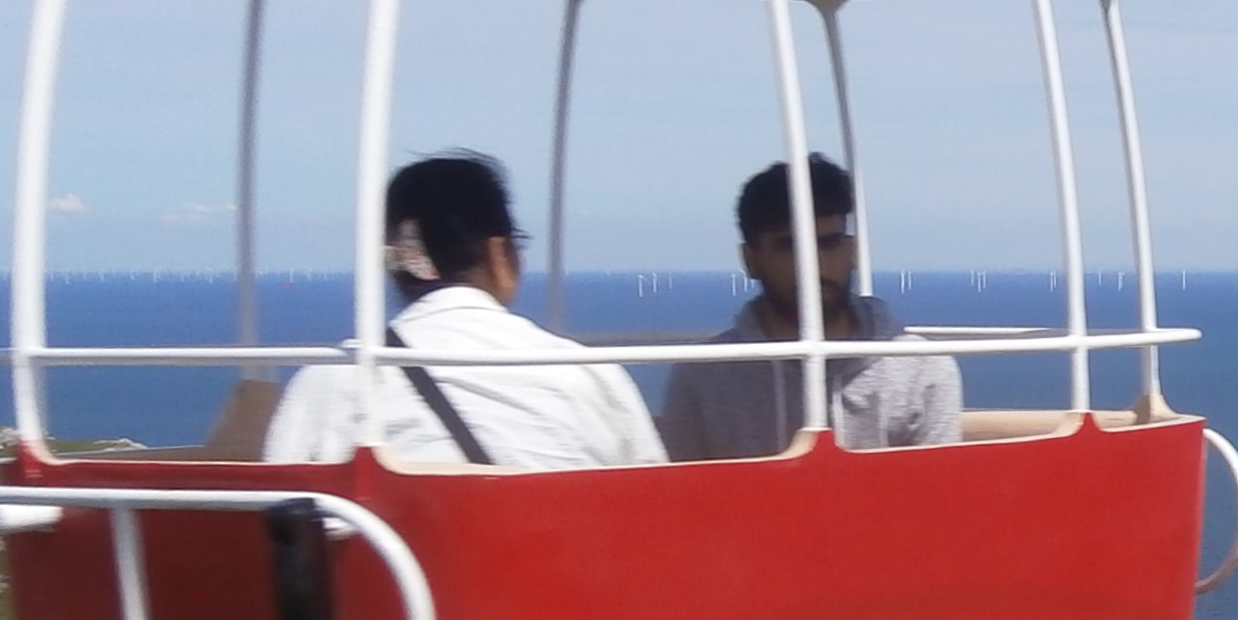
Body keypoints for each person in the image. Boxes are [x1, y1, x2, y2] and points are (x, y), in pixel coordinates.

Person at [262, 153, 665, 470]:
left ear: (394, 263)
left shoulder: (330, 382)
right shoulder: (589, 377)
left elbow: (278, 527)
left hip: (391, 577)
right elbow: (652, 509)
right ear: (499, 254)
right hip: (552, 574)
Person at [657, 155, 964, 461]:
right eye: (790, 247)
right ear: (751, 260)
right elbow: (682, 499)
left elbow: (936, 498)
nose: (814, 265)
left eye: (828, 243)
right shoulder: (702, 379)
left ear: (851, 250)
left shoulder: (922, 369)